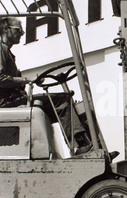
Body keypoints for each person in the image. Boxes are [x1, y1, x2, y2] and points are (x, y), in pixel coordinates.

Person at [0, 17, 91, 154]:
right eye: (19, 30)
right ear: (6, 29)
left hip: (14, 100)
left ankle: (89, 145)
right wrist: (26, 80)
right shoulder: (1, 49)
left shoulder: (8, 52)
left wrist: (30, 81)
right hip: (7, 104)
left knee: (71, 106)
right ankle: (81, 145)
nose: (23, 33)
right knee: (62, 101)